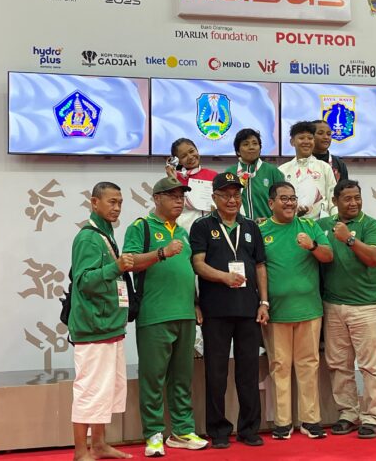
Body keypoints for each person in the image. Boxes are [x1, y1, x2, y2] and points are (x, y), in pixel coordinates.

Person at [123, 176, 209, 457]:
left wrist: (195, 303)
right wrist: (162, 252)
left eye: (181, 196)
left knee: (182, 378)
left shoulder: (182, 232)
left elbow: (187, 272)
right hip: (155, 314)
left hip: (185, 313)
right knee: (153, 378)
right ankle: (153, 434)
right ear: (157, 198)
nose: (178, 201)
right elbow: (129, 262)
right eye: (172, 196)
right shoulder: (142, 227)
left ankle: (182, 431)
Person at [190, 172, 269, 449]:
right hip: (216, 310)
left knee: (248, 373)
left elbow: (260, 266)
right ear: (214, 198)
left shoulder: (251, 227)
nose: (232, 200)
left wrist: (264, 302)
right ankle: (218, 430)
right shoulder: (202, 226)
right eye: (225, 195)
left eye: (236, 195)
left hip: (248, 309)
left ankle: (249, 429)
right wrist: (224, 277)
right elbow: (198, 264)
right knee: (216, 373)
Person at [259, 181, 333, 440]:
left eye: (292, 198)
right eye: (284, 198)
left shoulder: (310, 226)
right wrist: (264, 302)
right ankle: (282, 423)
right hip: (276, 312)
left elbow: (328, 256)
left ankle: (310, 420)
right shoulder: (261, 230)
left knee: (308, 366)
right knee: (279, 366)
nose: (289, 203)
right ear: (271, 203)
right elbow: (258, 268)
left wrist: (312, 246)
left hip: (309, 310)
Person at [317, 179, 376, 439]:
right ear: (334, 201)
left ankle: (374, 417)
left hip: (367, 306)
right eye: (347, 198)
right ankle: (348, 413)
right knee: (338, 364)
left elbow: (375, 259)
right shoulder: (323, 225)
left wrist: (348, 239)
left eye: (357, 197)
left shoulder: (371, 225)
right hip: (333, 305)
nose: (354, 203)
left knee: (371, 366)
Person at [69, 182, 134, 461]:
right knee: (89, 390)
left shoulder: (106, 234)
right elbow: (83, 281)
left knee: (105, 391)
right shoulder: (88, 238)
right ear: (94, 203)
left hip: (109, 325)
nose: (117, 207)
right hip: (94, 327)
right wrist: (116, 267)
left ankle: (98, 444)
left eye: (120, 202)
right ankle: (80, 451)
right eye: (111, 202)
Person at [279, 121, 336, 220]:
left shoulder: (324, 167)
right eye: (301, 138)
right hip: (292, 223)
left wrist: (335, 221)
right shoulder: (282, 170)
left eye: (310, 138)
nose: (306, 142)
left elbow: (333, 198)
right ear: (292, 142)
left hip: (320, 224)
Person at [225, 128, 284, 222]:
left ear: (260, 148)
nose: (251, 147)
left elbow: (283, 202)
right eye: (246, 144)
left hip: (267, 226)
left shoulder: (272, 171)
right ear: (238, 151)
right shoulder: (230, 173)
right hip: (238, 226)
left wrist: (272, 222)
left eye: (255, 143)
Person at [166, 138, 217, 233]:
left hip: (212, 229)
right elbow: (170, 207)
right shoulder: (175, 178)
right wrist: (172, 180)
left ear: (197, 150)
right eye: (184, 156)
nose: (190, 157)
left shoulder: (213, 176)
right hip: (185, 230)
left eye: (192, 151)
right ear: (178, 161)